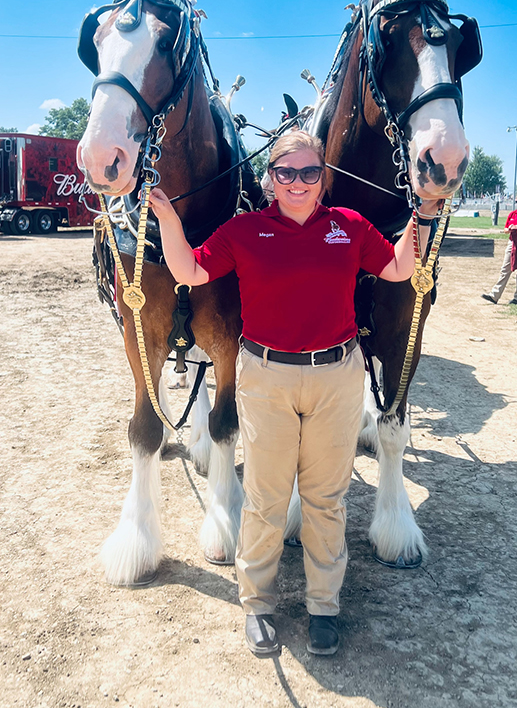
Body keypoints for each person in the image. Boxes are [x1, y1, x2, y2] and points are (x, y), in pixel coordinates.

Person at [149, 131, 441, 657]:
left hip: (336, 378)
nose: (299, 183)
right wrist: (169, 220)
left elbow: (398, 267)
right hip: (268, 379)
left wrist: (420, 217)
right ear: (270, 181)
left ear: (323, 178)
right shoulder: (244, 230)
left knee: (326, 500)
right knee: (265, 498)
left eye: (310, 173)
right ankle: (257, 603)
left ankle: (324, 605)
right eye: (287, 173)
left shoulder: (348, 226)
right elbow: (189, 270)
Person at [482, 193, 517, 305]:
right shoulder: (512, 214)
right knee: (505, 269)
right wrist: (509, 229)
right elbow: (505, 229)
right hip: (512, 243)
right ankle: (494, 295)